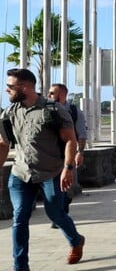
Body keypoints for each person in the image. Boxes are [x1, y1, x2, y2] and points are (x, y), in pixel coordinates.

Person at [0, 68, 85, 269]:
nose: (6, 90)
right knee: (19, 218)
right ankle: (20, 266)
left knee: (55, 214)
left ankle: (75, 240)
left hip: (52, 173)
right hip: (21, 173)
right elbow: (3, 144)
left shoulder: (54, 110)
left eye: (10, 86)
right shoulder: (9, 113)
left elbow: (70, 141)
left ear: (25, 87)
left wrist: (68, 168)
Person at [47, 83, 88, 227]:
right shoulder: (46, 109)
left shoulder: (74, 111)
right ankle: (58, 215)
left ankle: (62, 211)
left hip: (67, 154)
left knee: (66, 186)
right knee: (53, 187)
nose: (49, 96)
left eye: (52, 93)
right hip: (49, 155)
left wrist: (80, 152)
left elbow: (82, 133)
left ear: (62, 94)